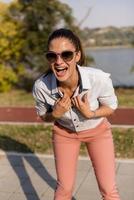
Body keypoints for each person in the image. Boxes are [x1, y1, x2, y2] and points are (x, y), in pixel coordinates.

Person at [33, 28, 121, 200]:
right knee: (64, 189)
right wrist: (55, 114)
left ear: (77, 56)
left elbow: (111, 107)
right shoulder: (41, 86)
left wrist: (91, 113)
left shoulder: (99, 79)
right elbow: (44, 116)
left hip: (98, 132)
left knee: (109, 190)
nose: (59, 62)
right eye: (52, 56)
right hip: (64, 134)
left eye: (66, 55)